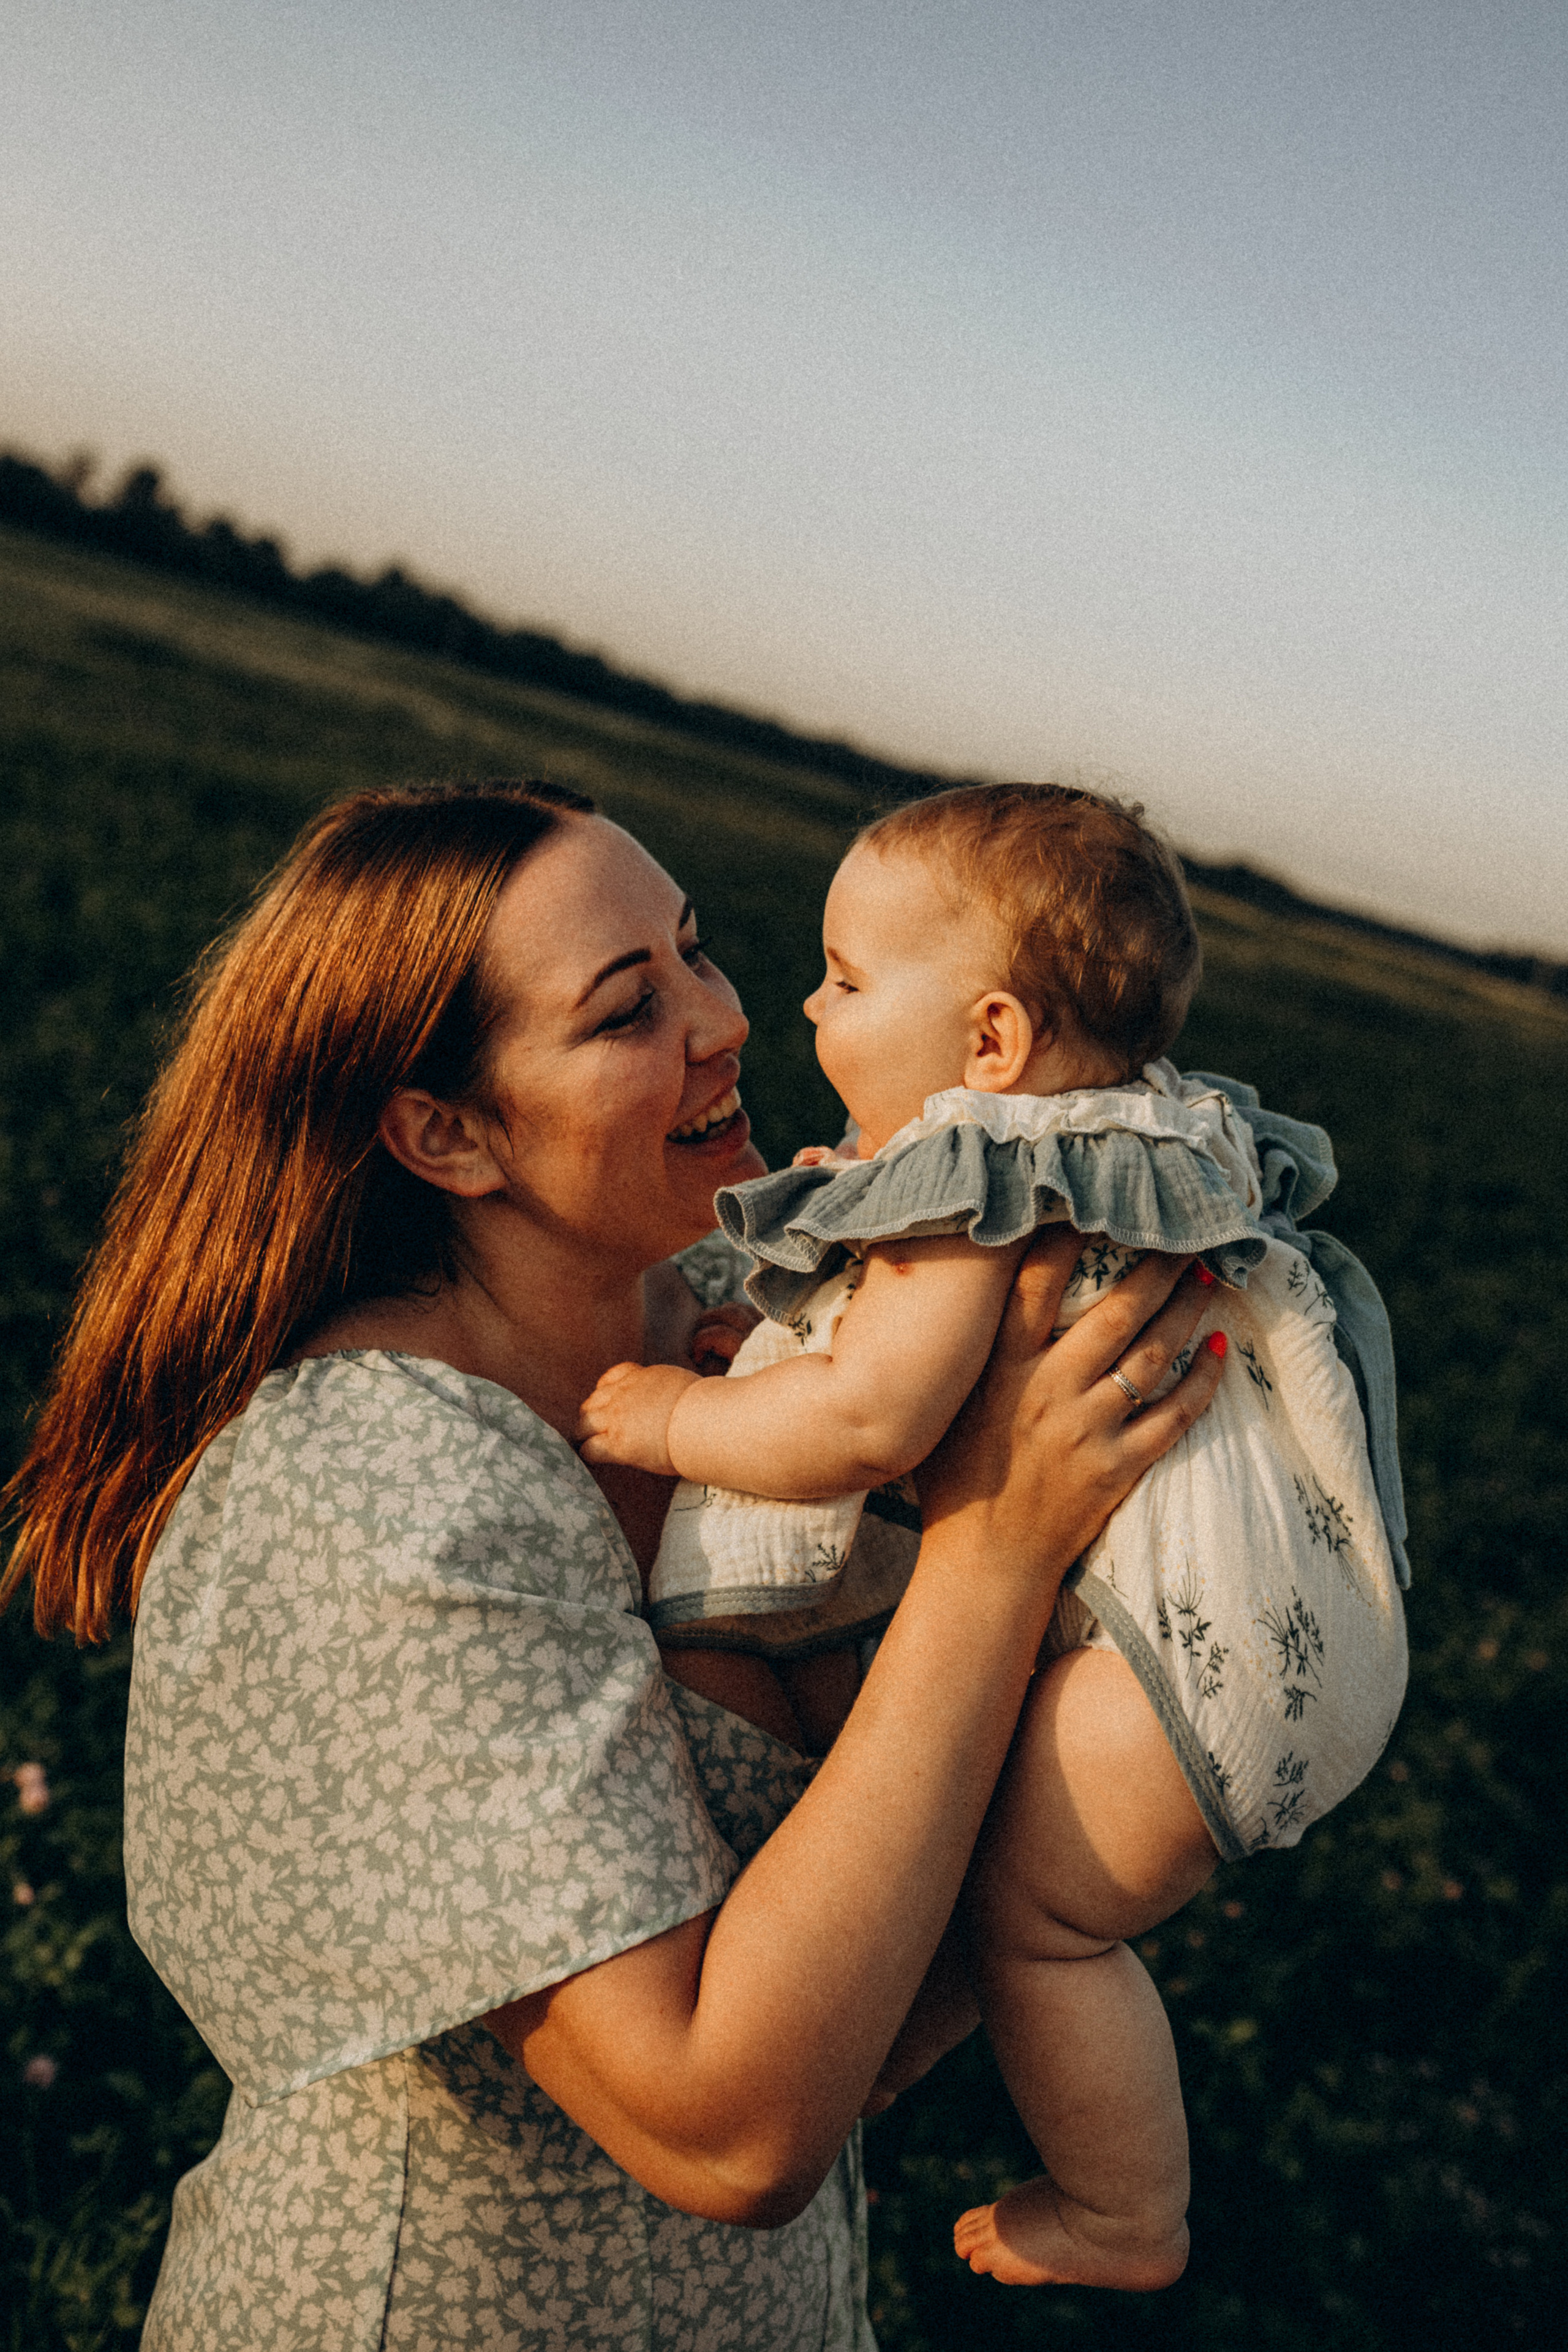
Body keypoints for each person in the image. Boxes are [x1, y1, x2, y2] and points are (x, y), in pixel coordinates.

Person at [0, 780, 1226, 2351]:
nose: (721, 1019)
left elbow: (870, 1994)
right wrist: (993, 1553)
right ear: (444, 1133)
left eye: (696, 952)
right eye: (626, 1008)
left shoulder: (752, 1315)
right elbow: (725, 2127)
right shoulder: (380, 1494)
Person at [580, 782, 1409, 2291]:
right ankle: (865, 2074)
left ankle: (1120, 2214)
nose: (802, 1004)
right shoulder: (1145, 1137)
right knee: (969, 1823)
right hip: (1304, 1627)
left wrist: (667, 1421)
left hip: (1182, 1667)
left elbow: (866, 1426)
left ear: (987, 1044)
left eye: (841, 980)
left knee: (1038, 1926)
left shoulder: (977, 1177)